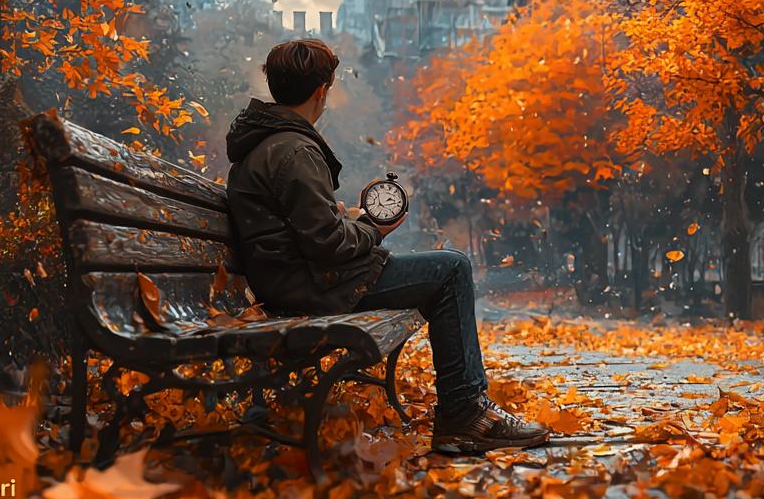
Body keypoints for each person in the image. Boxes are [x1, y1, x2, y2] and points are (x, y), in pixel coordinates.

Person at [224, 38, 550, 454]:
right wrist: (376, 230)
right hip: (309, 284)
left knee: (443, 269)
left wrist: (349, 219)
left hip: (289, 278)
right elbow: (327, 243)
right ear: (322, 90)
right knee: (451, 270)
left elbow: (307, 228)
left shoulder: (268, 144)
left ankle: (464, 409)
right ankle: (464, 412)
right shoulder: (294, 149)